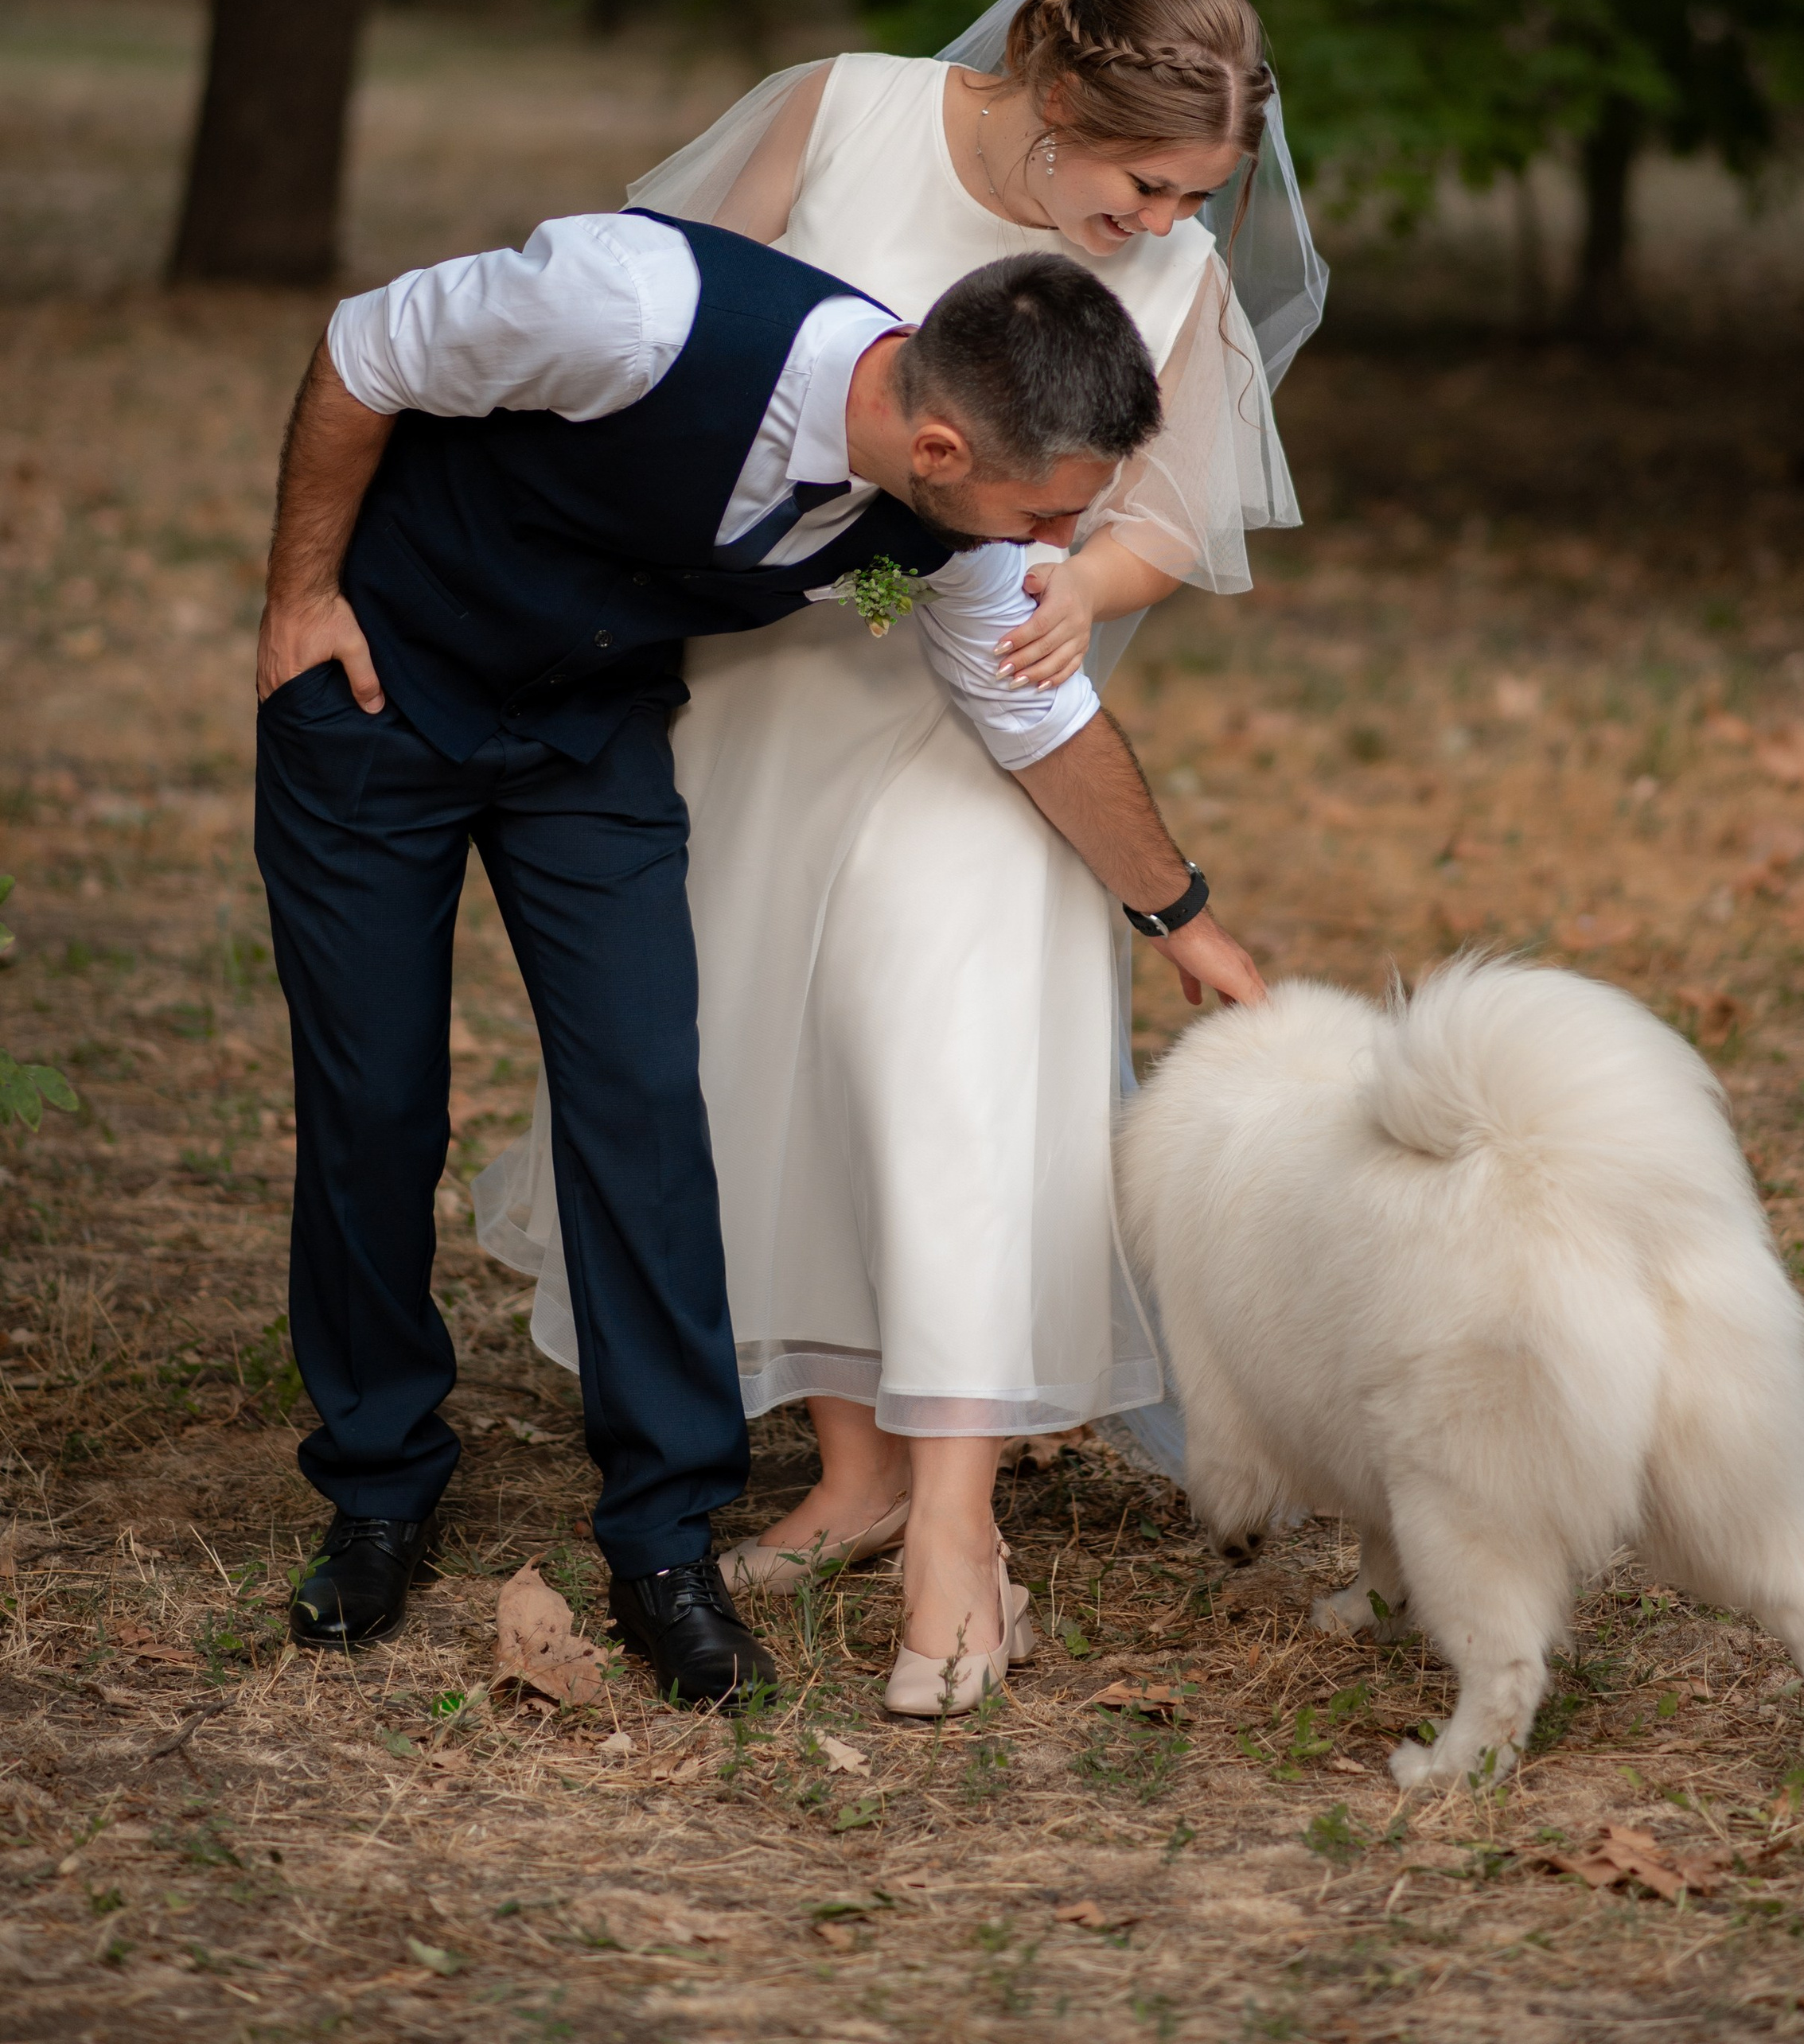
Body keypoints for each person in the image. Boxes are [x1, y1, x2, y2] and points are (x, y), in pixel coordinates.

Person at [254, 214, 1261, 1715]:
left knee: (655, 1100)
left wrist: (1182, 917)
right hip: (382, 682)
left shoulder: (949, 524)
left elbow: (1036, 720)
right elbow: (362, 351)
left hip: (588, 737)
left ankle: (661, 1537)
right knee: (375, 1100)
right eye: (1045, 515)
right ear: (934, 444)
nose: (1057, 551)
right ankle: (380, 1488)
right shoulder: (632, 305)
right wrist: (300, 593)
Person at [476, 0, 1323, 1712]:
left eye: (1194, 196)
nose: (1160, 219)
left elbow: (1181, 508)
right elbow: (696, 334)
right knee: (762, 1059)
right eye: (1137, 180)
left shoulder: (1161, 274)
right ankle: (851, 1462)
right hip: (763, 689)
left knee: (939, 1075)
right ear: (1051, 89)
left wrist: (1072, 582)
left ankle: (958, 1524)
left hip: (976, 723)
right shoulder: (844, 111)